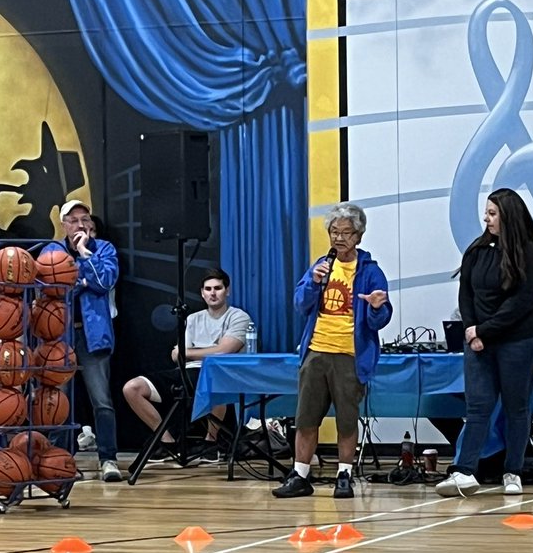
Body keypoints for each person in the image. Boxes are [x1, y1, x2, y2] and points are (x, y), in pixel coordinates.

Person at [435, 187, 533, 499]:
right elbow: (466, 293)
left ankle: (512, 470)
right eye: (486, 213)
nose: (486, 219)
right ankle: (464, 471)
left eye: (492, 214)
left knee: (516, 407)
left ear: (508, 217)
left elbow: (521, 303)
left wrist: (484, 331)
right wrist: (471, 329)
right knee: (478, 406)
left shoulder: (531, 252)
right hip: (480, 341)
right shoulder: (477, 251)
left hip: (520, 340)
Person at [272, 203, 391, 500]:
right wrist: (313, 284)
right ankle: (300, 475)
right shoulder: (320, 266)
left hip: (350, 355)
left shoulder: (371, 272)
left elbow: (381, 318)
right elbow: (301, 304)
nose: (339, 239)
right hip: (316, 351)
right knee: (306, 417)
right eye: (334, 232)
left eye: (346, 233)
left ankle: (344, 475)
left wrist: (377, 307)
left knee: (347, 420)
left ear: (359, 236)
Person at [123, 268, 250, 463]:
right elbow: (176, 357)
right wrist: (198, 352)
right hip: (186, 372)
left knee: (216, 376)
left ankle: (211, 443)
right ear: (202, 293)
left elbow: (223, 351)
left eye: (218, 288)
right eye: (208, 289)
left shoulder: (238, 316)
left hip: (220, 372)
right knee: (132, 388)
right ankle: (167, 442)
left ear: (227, 291)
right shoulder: (192, 318)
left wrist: (188, 352)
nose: (213, 293)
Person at [40, 200, 120, 482]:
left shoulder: (104, 249)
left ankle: (108, 459)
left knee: (102, 400)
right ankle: (60, 461)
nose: (80, 224)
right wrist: (82, 284)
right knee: (58, 400)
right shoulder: (52, 251)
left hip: (93, 335)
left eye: (84, 219)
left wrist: (85, 255)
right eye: (73, 220)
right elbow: (52, 291)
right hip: (59, 335)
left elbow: (105, 282)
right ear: (63, 225)